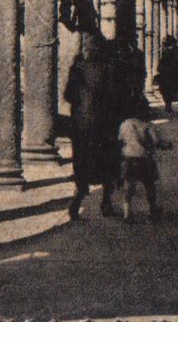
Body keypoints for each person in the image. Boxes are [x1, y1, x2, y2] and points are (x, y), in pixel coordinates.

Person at [64, 31, 126, 218]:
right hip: (105, 124)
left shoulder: (77, 68)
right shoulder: (110, 68)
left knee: (82, 163)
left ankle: (76, 202)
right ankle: (106, 203)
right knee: (107, 163)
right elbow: (116, 96)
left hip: (82, 125)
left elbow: (67, 95)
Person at [117, 101, 171, 222]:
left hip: (129, 158)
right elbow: (156, 142)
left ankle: (127, 214)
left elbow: (120, 140)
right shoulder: (148, 126)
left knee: (129, 186)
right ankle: (152, 212)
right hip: (145, 160)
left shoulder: (125, 124)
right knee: (150, 185)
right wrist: (167, 145)